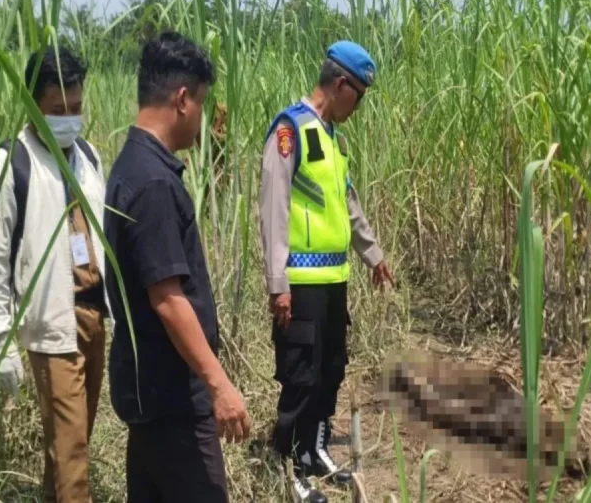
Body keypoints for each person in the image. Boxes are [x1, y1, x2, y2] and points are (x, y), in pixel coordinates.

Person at [102, 30, 250, 503]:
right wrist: (219, 385)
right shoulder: (153, 184)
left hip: (150, 391)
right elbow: (167, 298)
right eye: (203, 105)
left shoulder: (131, 166)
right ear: (183, 100)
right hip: (174, 401)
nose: (202, 120)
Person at [259, 40, 394, 503]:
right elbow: (273, 210)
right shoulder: (289, 130)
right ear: (340, 85)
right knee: (298, 377)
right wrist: (278, 284)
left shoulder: (333, 141)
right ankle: (287, 466)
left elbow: (348, 205)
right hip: (299, 285)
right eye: (358, 96)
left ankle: (314, 452)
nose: (358, 107)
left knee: (330, 369)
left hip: (335, 281)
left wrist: (373, 256)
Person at [0, 45, 110, 502]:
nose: (69, 119)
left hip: (94, 319)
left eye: (77, 107)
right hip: (54, 324)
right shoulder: (11, 163)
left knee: (69, 449)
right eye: (58, 110)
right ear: (34, 105)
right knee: (73, 459)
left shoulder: (88, 157)